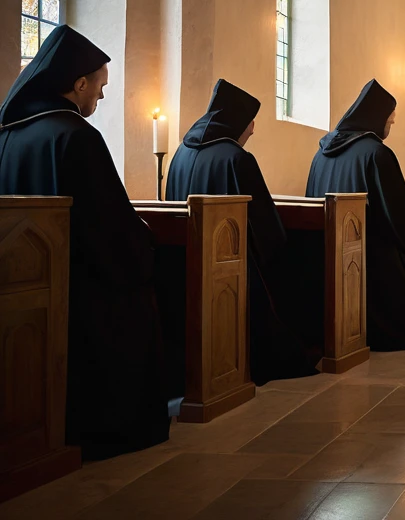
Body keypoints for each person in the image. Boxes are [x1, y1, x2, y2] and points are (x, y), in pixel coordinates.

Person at [0, 25, 169, 458]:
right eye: (100, 86)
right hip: (83, 289)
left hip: (22, 283)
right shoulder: (76, 135)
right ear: (78, 84)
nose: (102, 96)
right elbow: (109, 228)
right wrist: (144, 242)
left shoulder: (9, 134)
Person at [166, 79, 320, 384]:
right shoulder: (237, 158)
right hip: (232, 270)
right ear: (237, 121)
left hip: (181, 267)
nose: (252, 130)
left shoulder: (179, 154)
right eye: (251, 122)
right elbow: (266, 230)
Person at [306, 80, 405, 349]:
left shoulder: (321, 153)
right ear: (376, 119)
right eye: (390, 121)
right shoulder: (377, 153)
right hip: (369, 258)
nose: (391, 125)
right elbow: (399, 218)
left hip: (323, 254)